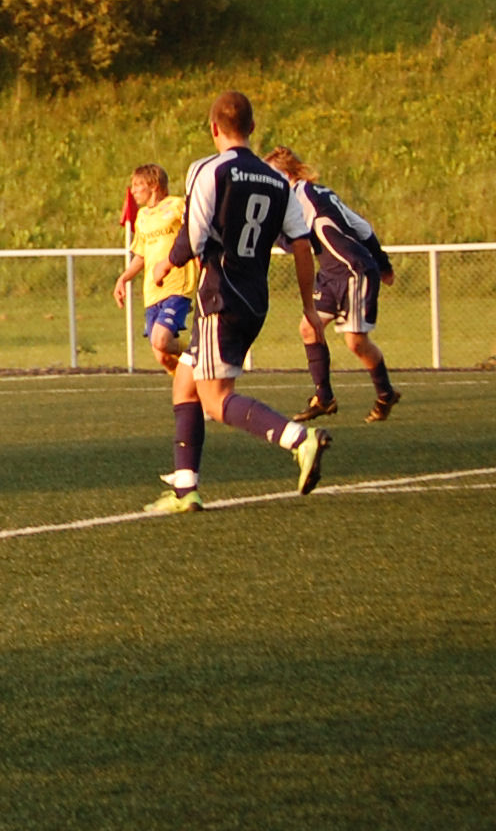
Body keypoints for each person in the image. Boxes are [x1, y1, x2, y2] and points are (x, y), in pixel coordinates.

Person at [147, 91, 327, 514]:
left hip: (220, 296)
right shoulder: (277, 181)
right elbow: (301, 245)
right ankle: (185, 488)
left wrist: (165, 265)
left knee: (216, 398)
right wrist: (308, 307)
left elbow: (194, 235)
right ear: (251, 129)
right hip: (253, 300)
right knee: (185, 380)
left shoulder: (208, 170)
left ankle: (299, 439)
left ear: (213, 129)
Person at [267, 147, 402, 424]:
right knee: (308, 327)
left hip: (354, 270)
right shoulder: (319, 192)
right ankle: (324, 398)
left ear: (289, 175)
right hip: (331, 273)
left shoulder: (302, 198)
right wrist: (384, 262)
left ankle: (386, 393)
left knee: (355, 342)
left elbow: (297, 242)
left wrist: (381, 265)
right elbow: (363, 226)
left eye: (274, 176)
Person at [111, 163, 196, 369]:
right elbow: (140, 255)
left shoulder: (177, 205)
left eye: (137, 185)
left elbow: (198, 229)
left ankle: (198, 354)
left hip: (176, 286)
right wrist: (124, 278)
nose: (133, 191)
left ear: (154, 185)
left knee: (162, 340)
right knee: (162, 356)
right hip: (152, 292)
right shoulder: (142, 217)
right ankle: (190, 389)